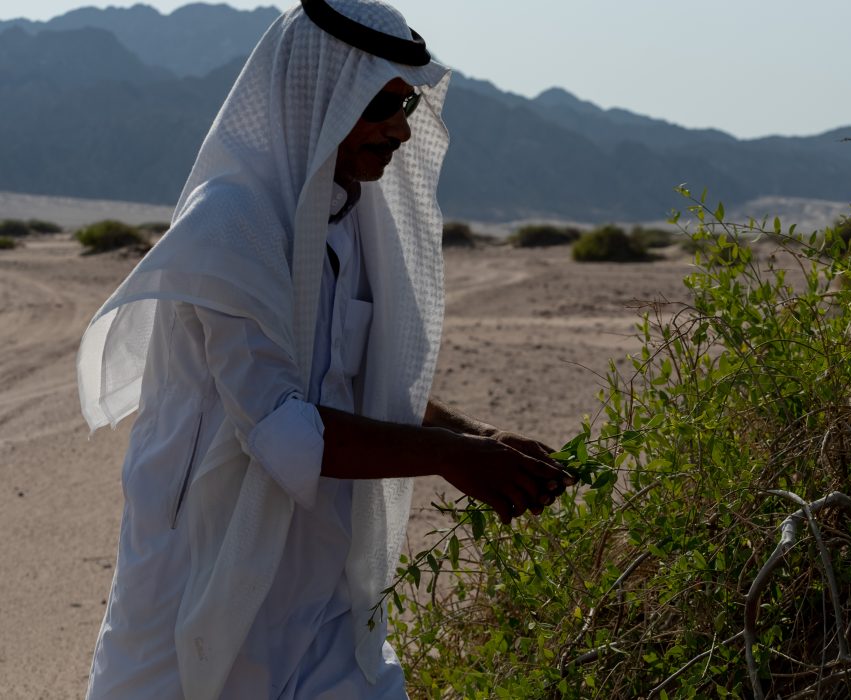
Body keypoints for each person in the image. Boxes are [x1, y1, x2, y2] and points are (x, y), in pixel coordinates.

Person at [76, 1, 575, 698]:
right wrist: (452, 457)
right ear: (323, 97)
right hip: (206, 576)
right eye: (381, 105)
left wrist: (480, 438)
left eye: (408, 103)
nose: (400, 129)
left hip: (320, 589)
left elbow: (362, 383)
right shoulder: (233, 224)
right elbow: (280, 428)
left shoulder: (351, 216)